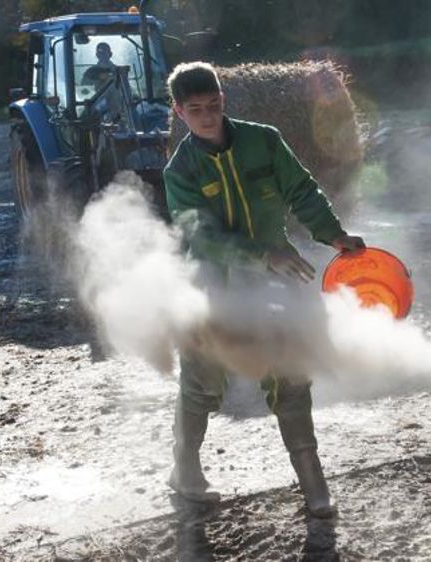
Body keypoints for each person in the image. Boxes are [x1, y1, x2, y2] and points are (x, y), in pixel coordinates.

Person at [162, 61, 365, 518]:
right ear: (178, 111)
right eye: (195, 110)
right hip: (213, 282)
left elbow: (302, 191)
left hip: (277, 278)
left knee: (291, 373)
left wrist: (332, 234)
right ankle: (186, 472)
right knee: (202, 381)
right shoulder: (180, 170)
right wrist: (262, 255)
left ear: (223, 100)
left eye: (213, 105)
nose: (207, 116)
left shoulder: (264, 140)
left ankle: (314, 485)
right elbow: (200, 235)